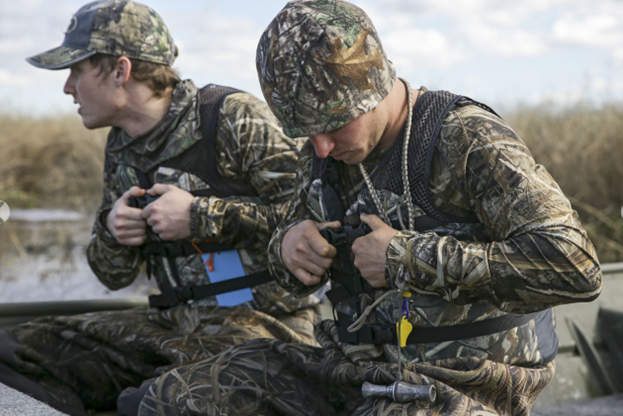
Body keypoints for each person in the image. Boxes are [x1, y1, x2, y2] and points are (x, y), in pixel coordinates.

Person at [137, 1, 603, 415]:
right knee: (178, 395)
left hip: (468, 378)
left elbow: (575, 266)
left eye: (332, 125)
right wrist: (288, 247)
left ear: (374, 87)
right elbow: (289, 249)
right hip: (355, 369)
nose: (319, 146)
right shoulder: (324, 155)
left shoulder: (465, 137)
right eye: (304, 130)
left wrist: (406, 258)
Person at [0, 1, 321, 415]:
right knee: (11, 350)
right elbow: (113, 277)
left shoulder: (233, 118)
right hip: (170, 327)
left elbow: (312, 224)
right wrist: (114, 232)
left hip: (261, 330)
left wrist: (201, 216)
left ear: (120, 70)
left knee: (155, 402)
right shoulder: (121, 145)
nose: (67, 87)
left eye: (76, 70)